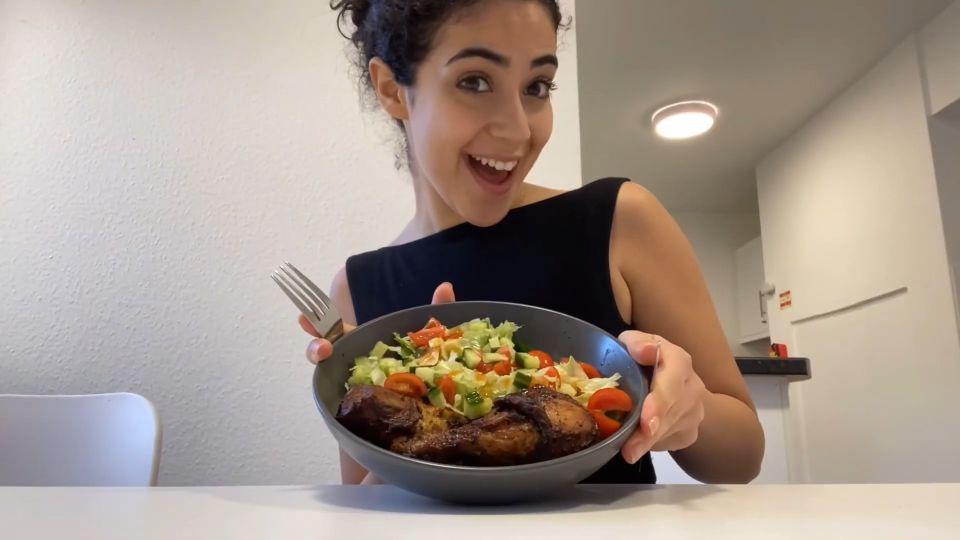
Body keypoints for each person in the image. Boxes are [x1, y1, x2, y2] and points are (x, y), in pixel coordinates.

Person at [300, 0, 764, 485]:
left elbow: (743, 459)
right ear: (392, 89)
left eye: (537, 86)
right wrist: (417, 426)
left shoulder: (620, 219)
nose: (519, 130)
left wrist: (686, 404)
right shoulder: (356, 288)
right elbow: (365, 509)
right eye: (475, 82)